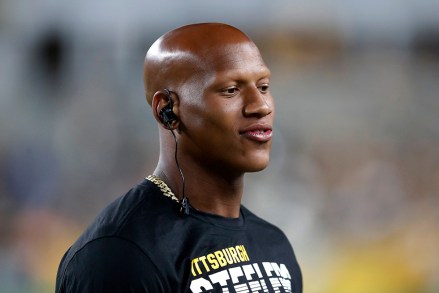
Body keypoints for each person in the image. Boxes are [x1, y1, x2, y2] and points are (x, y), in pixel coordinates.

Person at [56, 22, 302, 293]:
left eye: (264, 86)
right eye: (231, 90)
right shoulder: (120, 253)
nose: (261, 105)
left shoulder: (273, 245)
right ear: (167, 109)